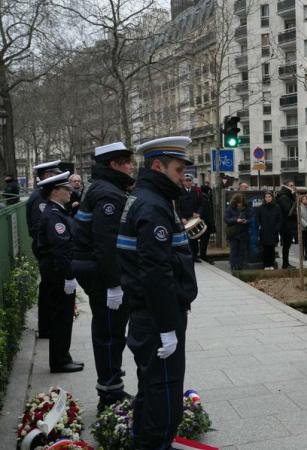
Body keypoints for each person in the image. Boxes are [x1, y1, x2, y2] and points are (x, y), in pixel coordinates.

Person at [118, 136, 198, 449]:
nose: (182, 177)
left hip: (148, 314)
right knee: (164, 398)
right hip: (157, 317)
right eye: (178, 170)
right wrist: (167, 327)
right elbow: (156, 274)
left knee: (152, 390)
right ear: (157, 166)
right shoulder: (152, 206)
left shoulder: (148, 198)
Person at [72, 142, 135, 410]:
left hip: (92, 268)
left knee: (108, 329)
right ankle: (110, 394)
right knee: (110, 332)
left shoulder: (102, 187)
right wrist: (113, 285)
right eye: (127, 162)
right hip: (100, 273)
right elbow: (106, 242)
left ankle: (111, 385)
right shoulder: (109, 194)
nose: (131, 166)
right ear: (114, 165)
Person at [36, 171, 84, 373]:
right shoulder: (54, 215)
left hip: (54, 272)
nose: (70, 192)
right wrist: (69, 276)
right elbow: (60, 250)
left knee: (62, 316)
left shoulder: (53, 211)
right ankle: (60, 360)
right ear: (55, 191)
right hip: (58, 274)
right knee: (61, 317)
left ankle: (63, 356)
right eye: (66, 189)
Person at [27, 160, 62, 339]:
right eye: (54, 174)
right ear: (47, 176)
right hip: (45, 250)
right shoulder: (39, 199)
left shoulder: (42, 196)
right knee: (49, 288)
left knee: (48, 288)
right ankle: (47, 327)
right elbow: (38, 228)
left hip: (46, 248)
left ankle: (47, 326)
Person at [178, 173, 202, 262]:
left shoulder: (196, 192)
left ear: (192, 182)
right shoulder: (179, 192)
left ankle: (195, 256)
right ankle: (187, 256)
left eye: (189, 180)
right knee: (185, 239)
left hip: (193, 218)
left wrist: (198, 213)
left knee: (194, 238)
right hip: (184, 219)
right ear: (183, 182)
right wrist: (181, 218)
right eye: (186, 180)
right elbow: (177, 207)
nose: (188, 182)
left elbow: (201, 205)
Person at [225, 194, 251, 271]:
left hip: (243, 232)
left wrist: (246, 221)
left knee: (242, 251)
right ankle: (233, 266)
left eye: (241, 202)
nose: (240, 204)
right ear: (235, 201)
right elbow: (226, 219)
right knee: (234, 250)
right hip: (234, 233)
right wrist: (236, 220)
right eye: (238, 202)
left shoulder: (246, 208)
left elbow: (251, 218)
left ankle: (240, 266)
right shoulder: (230, 209)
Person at [257, 191, 282, 270]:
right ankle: (266, 264)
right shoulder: (261, 207)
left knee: (271, 248)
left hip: (273, 230)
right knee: (265, 248)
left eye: (269, 197)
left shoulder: (276, 207)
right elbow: (258, 218)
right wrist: (260, 226)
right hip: (264, 230)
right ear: (264, 198)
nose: (268, 198)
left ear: (272, 198)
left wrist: (277, 227)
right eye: (266, 197)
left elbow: (280, 219)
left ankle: (271, 264)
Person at [276, 180, 297, 268]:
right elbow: (288, 211)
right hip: (286, 225)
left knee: (287, 245)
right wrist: (297, 214)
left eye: (293, 185)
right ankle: (285, 264)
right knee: (286, 245)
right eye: (291, 185)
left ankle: (286, 263)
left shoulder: (287, 195)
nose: (293, 187)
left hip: (288, 224)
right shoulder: (284, 197)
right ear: (286, 186)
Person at [198, 183, 216, 262]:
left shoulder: (204, 198)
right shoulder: (205, 199)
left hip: (204, 222)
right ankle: (203, 255)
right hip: (205, 223)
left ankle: (202, 255)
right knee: (204, 240)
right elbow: (208, 213)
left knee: (204, 240)